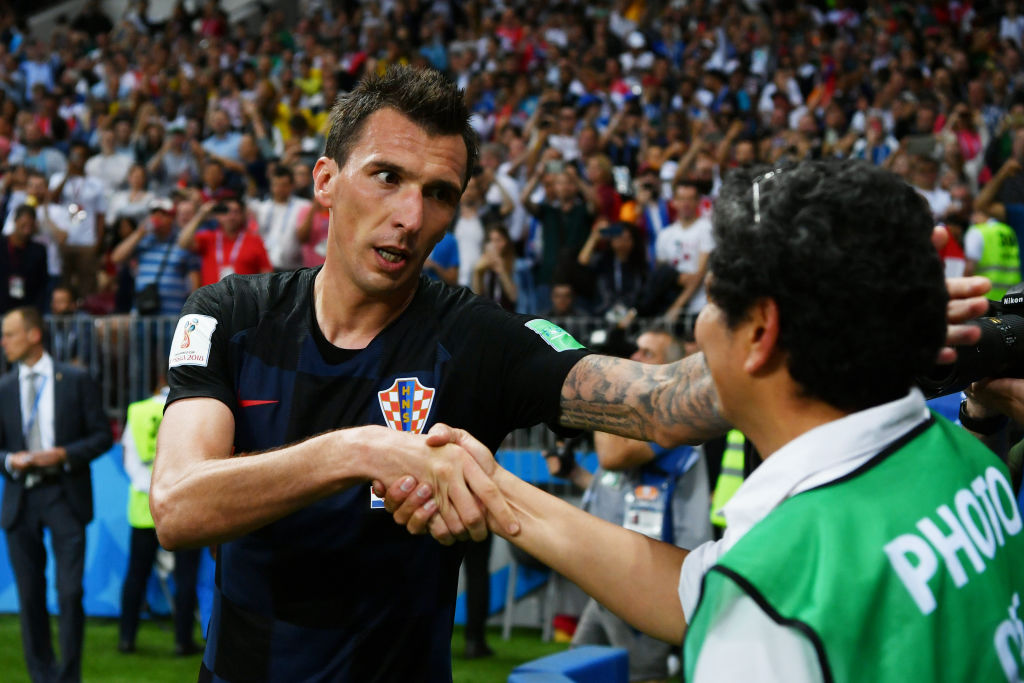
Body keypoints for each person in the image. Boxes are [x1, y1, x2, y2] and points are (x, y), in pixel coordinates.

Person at [382, 160, 1021, 682]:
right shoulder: (966, 455)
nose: (699, 329)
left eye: (713, 298)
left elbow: (742, 591)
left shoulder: (770, 601)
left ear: (761, 332)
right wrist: (494, 489)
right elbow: (693, 587)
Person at [549, 328, 713, 683]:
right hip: (615, 571)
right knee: (580, 665)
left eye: (647, 354)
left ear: (669, 370)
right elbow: (616, 485)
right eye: (635, 350)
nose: (634, 359)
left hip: (654, 575)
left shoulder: (675, 424)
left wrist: (602, 385)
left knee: (642, 673)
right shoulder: (642, 427)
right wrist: (575, 473)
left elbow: (612, 457)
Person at [0, 306, 112, 683]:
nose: (3, 342)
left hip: (65, 494)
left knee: (69, 593)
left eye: (9, 334)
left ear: (34, 335)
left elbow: (101, 436)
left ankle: (69, 676)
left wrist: (63, 454)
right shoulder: (3, 387)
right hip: (20, 499)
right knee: (29, 596)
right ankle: (41, 676)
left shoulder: (76, 379)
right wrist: (10, 460)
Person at [117, 375, 201, 657]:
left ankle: (126, 639)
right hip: (184, 503)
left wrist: (150, 487)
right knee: (185, 576)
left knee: (136, 575)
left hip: (145, 506)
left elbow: (128, 460)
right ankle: (182, 641)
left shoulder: (138, 411)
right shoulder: (191, 407)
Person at [176, 196, 272, 287]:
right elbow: (183, 243)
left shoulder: (255, 241)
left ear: (242, 215)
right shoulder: (209, 238)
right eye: (226, 211)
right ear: (218, 215)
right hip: (212, 298)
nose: (231, 216)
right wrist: (201, 215)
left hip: (244, 298)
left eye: (236, 212)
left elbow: (267, 274)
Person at [251, 165, 310, 271]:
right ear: (271, 186)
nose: (280, 189)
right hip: (266, 266)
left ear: (292, 186)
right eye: (276, 185)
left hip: (293, 267)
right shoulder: (261, 208)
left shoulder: (304, 206)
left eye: (284, 185)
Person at [0, 206, 49, 314]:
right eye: (24, 224)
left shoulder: (39, 250)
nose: (27, 228)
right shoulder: (2, 245)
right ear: (16, 221)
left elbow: (42, 283)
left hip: (27, 305)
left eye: (30, 225)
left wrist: (36, 310)